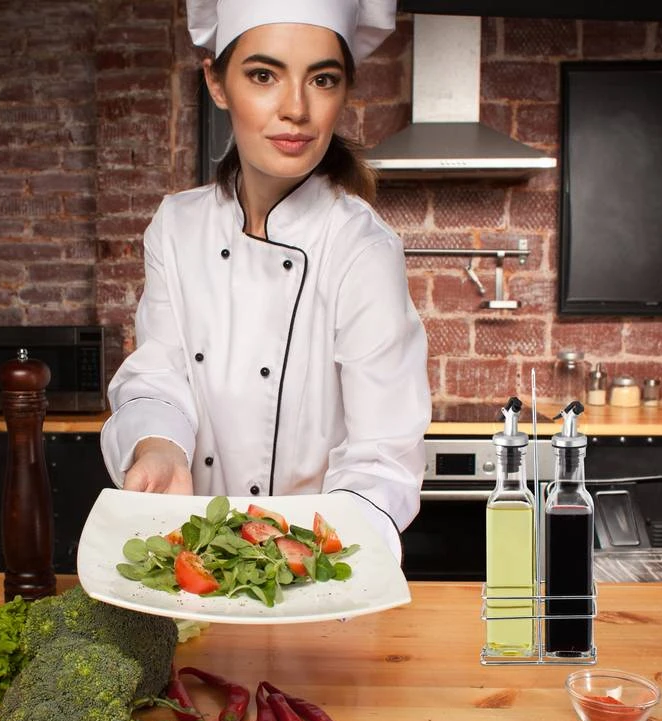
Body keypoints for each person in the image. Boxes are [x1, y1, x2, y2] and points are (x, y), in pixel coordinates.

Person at [100, 0, 431, 561]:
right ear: (217, 82)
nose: (296, 109)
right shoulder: (177, 227)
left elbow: (382, 457)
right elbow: (159, 374)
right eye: (263, 75)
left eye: (322, 80)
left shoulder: (362, 248)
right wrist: (159, 448)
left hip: (319, 578)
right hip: (192, 569)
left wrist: (312, 561)